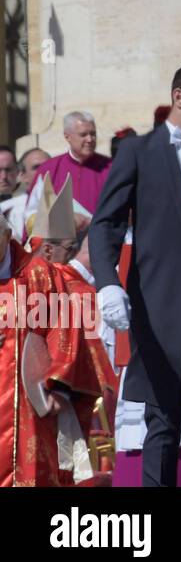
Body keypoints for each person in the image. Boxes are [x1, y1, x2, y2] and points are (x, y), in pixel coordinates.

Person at [90, 62, 181, 487]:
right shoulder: (138, 151)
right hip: (158, 304)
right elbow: (106, 223)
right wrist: (107, 284)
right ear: (179, 97)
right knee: (163, 414)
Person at [0, 207, 114, 486]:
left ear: (7, 235)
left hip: (27, 403)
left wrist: (60, 386)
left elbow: (66, 331)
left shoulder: (39, 275)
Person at [27, 113, 112, 214]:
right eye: (83, 134)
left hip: (98, 229)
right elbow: (32, 213)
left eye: (93, 134)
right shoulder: (49, 169)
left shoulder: (110, 167)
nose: (90, 139)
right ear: (67, 136)